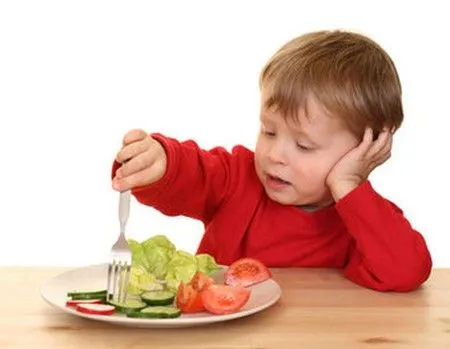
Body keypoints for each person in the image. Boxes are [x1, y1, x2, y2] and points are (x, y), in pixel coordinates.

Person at [111, 30, 432, 292]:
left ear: (365, 149)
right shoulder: (236, 177)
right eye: (268, 131)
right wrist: (159, 163)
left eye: (304, 146)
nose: (275, 155)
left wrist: (349, 186)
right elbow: (193, 172)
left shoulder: (362, 217)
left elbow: (405, 271)